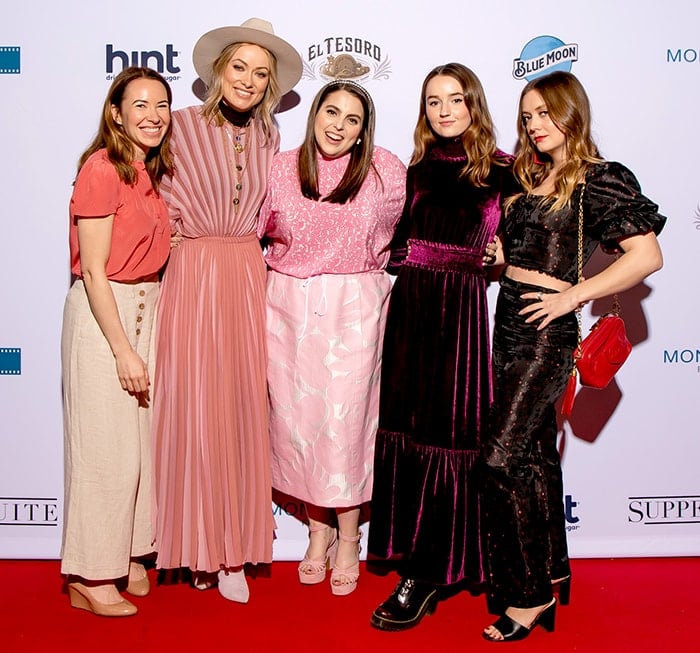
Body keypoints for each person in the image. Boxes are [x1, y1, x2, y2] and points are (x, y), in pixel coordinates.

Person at [479, 70, 665, 642]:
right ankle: (545, 580)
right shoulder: (525, 178)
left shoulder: (599, 180)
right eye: (528, 116)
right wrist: (499, 255)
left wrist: (572, 296)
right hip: (505, 320)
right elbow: (523, 248)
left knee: (500, 458)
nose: (535, 125)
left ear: (572, 113)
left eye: (545, 113)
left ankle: (528, 596)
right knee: (532, 460)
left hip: (545, 335)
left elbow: (647, 256)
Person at [151, 18, 302, 603]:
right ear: (218, 71)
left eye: (260, 73)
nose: (248, 80)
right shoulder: (180, 127)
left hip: (246, 271)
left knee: (239, 408)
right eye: (239, 67)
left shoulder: (271, 141)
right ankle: (193, 545)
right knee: (194, 407)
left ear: (270, 86)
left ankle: (232, 551)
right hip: (191, 271)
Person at [366, 63, 513, 630]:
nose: (444, 109)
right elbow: (397, 244)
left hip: (461, 317)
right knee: (410, 430)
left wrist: (500, 258)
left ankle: (431, 571)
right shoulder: (418, 171)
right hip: (412, 311)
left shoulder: (505, 171)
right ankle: (413, 556)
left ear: (473, 104)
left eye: (455, 98)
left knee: (451, 436)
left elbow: (528, 246)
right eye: (433, 101)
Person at [258, 79, 406, 596]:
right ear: (314, 112)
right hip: (287, 305)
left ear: (365, 130)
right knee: (298, 424)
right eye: (331, 112)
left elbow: (395, 236)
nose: (338, 126)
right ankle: (316, 529)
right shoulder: (279, 168)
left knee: (346, 424)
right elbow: (257, 229)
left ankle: (348, 536)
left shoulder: (385, 170)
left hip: (354, 305)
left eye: (353, 119)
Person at [60, 66, 173, 617]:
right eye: (141, 105)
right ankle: (88, 573)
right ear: (116, 113)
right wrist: (124, 350)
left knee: (138, 448)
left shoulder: (149, 171)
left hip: (146, 308)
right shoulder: (101, 169)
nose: (153, 115)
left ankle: (130, 552)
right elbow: (96, 271)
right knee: (104, 449)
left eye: (162, 105)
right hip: (106, 314)